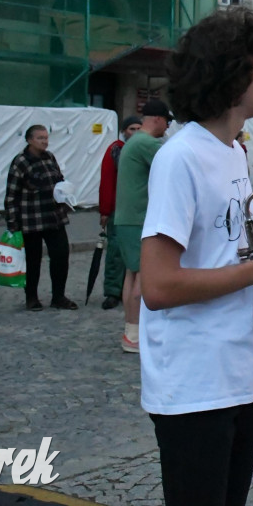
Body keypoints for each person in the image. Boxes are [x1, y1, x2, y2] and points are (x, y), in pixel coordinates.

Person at [139, 5, 253, 506]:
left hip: (238, 369)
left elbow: (229, 252)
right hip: (194, 380)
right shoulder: (181, 158)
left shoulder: (235, 152)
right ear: (234, 75)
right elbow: (157, 286)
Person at [115, 99, 172, 353]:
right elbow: (173, 165)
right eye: (167, 122)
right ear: (157, 119)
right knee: (142, 274)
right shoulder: (148, 144)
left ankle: (131, 330)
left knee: (132, 273)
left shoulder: (134, 141)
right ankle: (134, 335)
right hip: (139, 217)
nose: (167, 128)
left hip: (126, 217)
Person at [4, 125, 76, 311]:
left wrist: (64, 192)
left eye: (46, 138)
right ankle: (31, 297)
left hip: (54, 217)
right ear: (29, 140)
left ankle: (58, 297)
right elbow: (11, 195)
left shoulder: (50, 157)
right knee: (32, 260)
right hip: (31, 219)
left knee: (61, 256)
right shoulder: (20, 162)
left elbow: (59, 179)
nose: (45, 141)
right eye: (40, 138)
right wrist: (12, 223)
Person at [98, 115, 141, 310]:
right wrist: (105, 210)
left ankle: (131, 288)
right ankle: (112, 291)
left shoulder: (145, 148)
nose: (135, 132)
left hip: (138, 209)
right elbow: (107, 181)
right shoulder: (116, 149)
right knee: (115, 251)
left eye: (138, 128)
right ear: (124, 131)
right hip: (118, 209)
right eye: (132, 129)